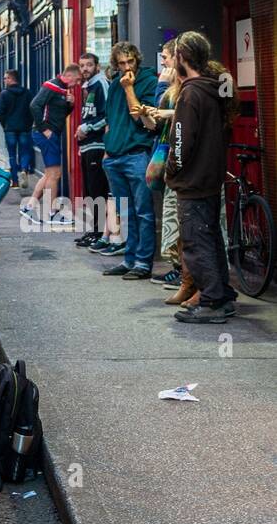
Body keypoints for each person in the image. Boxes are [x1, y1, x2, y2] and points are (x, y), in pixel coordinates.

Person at [167, 31, 240, 324]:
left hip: (194, 182)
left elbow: (182, 141)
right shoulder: (212, 89)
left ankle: (211, 301)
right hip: (210, 179)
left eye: (173, 57)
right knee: (210, 239)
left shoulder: (191, 93)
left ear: (183, 57)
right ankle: (221, 295)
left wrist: (173, 169)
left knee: (197, 243)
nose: (171, 63)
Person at [101, 42, 160, 278]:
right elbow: (110, 120)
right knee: (125, 212)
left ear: (137, 60)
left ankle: (143, 263)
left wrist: (129, 89)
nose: (127, 67)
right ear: (115, 64)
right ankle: (129, 259)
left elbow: (140, 118)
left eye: (130, 62)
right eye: (122, 63)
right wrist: (107, 149)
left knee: (143, 211)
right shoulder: (115, 84)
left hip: (137, 154)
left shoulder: (148, 81)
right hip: (114, 156)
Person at [137, 41, 187, 298]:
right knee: (173, 217)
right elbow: (153, 121)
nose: (164, 62)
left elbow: (162, 114)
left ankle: (184, 273)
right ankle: (180, 270)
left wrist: (160, 86)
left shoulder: (180, 87)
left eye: (166, 57)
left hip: (181, 162)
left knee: (181, 219)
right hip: (169, 157)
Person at [24, 64, 80, 226]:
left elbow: (60, 114)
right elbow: (34, 105)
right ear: (69, 75)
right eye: (76, 80)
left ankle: (30, 207)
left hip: (50, 134)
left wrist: (70, 105)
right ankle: (51, 213)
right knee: (55, 175)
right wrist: (44, 129)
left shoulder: (62, 90)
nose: (76, 84)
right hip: (47, 134)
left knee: (49, 174)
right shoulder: (52, 86)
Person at [73, 52, 114, 250]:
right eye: (82, 66)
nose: (85, 69)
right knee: (89, 191)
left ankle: (99, 233)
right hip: (87, 146)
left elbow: (108, 115)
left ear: (97, 66)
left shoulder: (101, 85)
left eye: (89, 65)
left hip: (98, 145)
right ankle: (94, 230)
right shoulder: (87, 87)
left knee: (98, 191)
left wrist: (86, 128)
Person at [0, 69, 34, 187]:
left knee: (12, 155)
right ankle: (24, 169)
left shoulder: (4, 94)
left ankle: (15, 181)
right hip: (24, 127)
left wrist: (5, 125)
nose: (4, 80)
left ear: (11, 79)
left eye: (5, 78)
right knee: (25, 151)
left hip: (10, 129)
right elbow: (32, 110)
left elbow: (1, 112)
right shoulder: (27, 93)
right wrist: (29, 124)